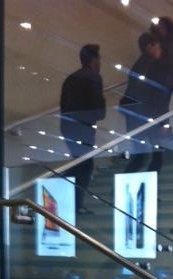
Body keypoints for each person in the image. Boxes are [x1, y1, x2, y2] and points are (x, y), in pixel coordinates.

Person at [60, 44, 106, 214]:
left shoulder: (71, 78)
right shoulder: (93, 77)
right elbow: (98, 109)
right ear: (93, 60)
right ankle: (75, 204)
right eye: (99, 59)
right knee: (85, 167)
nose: (100, 62)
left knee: (80, 164)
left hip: (68, 127)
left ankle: (72, 203)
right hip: (83, 129)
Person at [119, 33, 166, 173]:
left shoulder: (138, 66)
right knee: (156, 157)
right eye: (158, 46)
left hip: (136, 118)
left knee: (140, 158)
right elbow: (155, 95)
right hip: (148, 118)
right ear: (149, 47)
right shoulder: (154, 66)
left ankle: (128, 182)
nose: (160, 50)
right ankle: (145, 184)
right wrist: (162, 121)